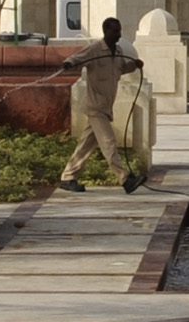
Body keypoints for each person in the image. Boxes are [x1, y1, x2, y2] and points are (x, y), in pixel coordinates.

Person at [62, 16, 147, 192]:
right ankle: (125, 179)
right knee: (109, 143)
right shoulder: (95, 49)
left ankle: (68, 177)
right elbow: (76, 58)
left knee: (85, 145)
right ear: (106, 31)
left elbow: (122, 68)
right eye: (115, 31)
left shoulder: (117, 51)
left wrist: (135, 65)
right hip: (95, 107)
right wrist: (69, 63)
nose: (118, 34)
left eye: (119, 30)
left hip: (106, 107)